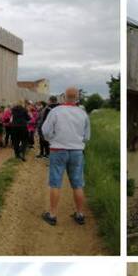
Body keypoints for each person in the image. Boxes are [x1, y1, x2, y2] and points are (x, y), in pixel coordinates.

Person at [41, 87, 91, 226]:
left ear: (63, 97)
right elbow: (86, 137)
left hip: (58, 149)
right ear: (77, 98)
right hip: (76, 151)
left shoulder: (56, 111)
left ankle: (52, 215)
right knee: (77, 184)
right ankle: (80, 214)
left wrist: (52, 139)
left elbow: (45, 130)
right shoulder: (83, 113)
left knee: (55, 182)